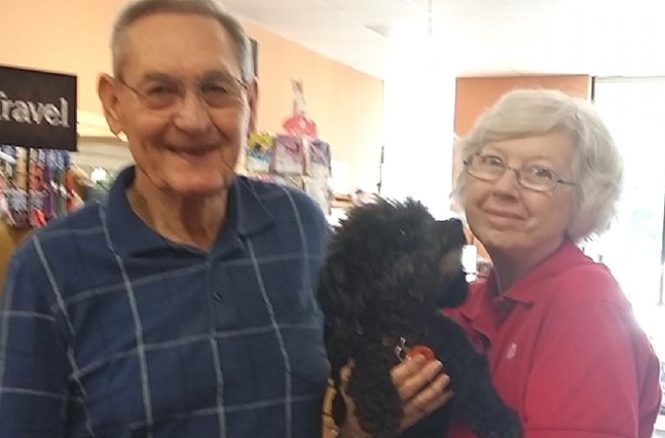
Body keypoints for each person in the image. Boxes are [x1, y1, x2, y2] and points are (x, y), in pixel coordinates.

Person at [0, 1, 446, 436]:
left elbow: (342, 388)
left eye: (216, 89)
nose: (193, 120)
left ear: (249, 101)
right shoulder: (50, 268)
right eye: (160, 90)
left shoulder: (300, 228)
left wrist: (357, 428)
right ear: (114, 103)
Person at [446, 88, 661, 437]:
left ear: (585, 198)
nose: (504, 188)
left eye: (540, 173)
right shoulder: (468, 301)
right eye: (492, 161)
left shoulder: (585, 306)